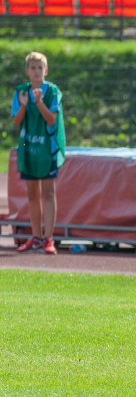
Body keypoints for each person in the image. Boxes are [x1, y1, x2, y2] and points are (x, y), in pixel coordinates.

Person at [12, 51, 65, 255]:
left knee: (48, 192)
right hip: (28, 147)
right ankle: (35, 237)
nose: (36, 71)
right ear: (27, 71)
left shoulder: (52, 91)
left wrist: (39, 102)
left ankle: (48, 239)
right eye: (32, 68)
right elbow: (16, 121)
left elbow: (51, 119)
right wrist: (24, 105)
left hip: (47, 148)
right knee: (32, 194)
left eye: (40, 68)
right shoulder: (21, 91)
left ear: (46, 70)